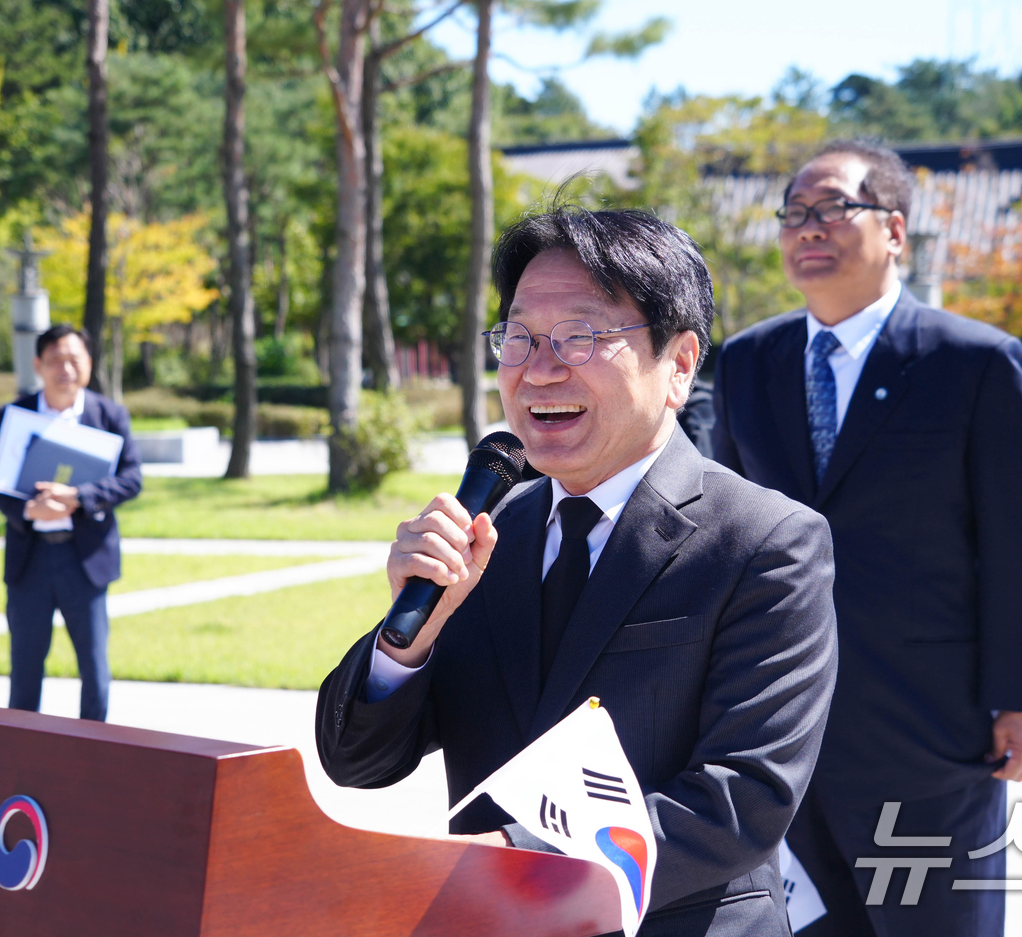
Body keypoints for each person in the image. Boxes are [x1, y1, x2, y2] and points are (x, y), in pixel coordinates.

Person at [317, 207, 838, 937]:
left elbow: (742, 799)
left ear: (680, 364)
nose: (539, 366)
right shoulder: (487, 533)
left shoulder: (764, 541)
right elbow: (357, 761)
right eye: (520, 337)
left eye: (581, 336)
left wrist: (519, 861)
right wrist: (407, 640)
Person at [712, 140, 1022, 936]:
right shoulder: (746, 363)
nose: (810, 227)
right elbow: (726, 535)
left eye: (833, 208)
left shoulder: (971, 362)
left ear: (896, 231)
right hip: (783, 734)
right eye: (795, 213)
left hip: (929, 731)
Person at [0, 324, 142, 722]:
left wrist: (79, 499)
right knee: (25, 669)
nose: (65, 369)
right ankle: (21, 761)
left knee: (93, 667)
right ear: (39, 364)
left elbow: (132, 478)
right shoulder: (14, 415)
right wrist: (26, 511)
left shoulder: (108, 414)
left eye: (74, 359)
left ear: (88, 364)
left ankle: (92, 760)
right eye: (56, 360)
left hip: (84, 559)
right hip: (30, 560)